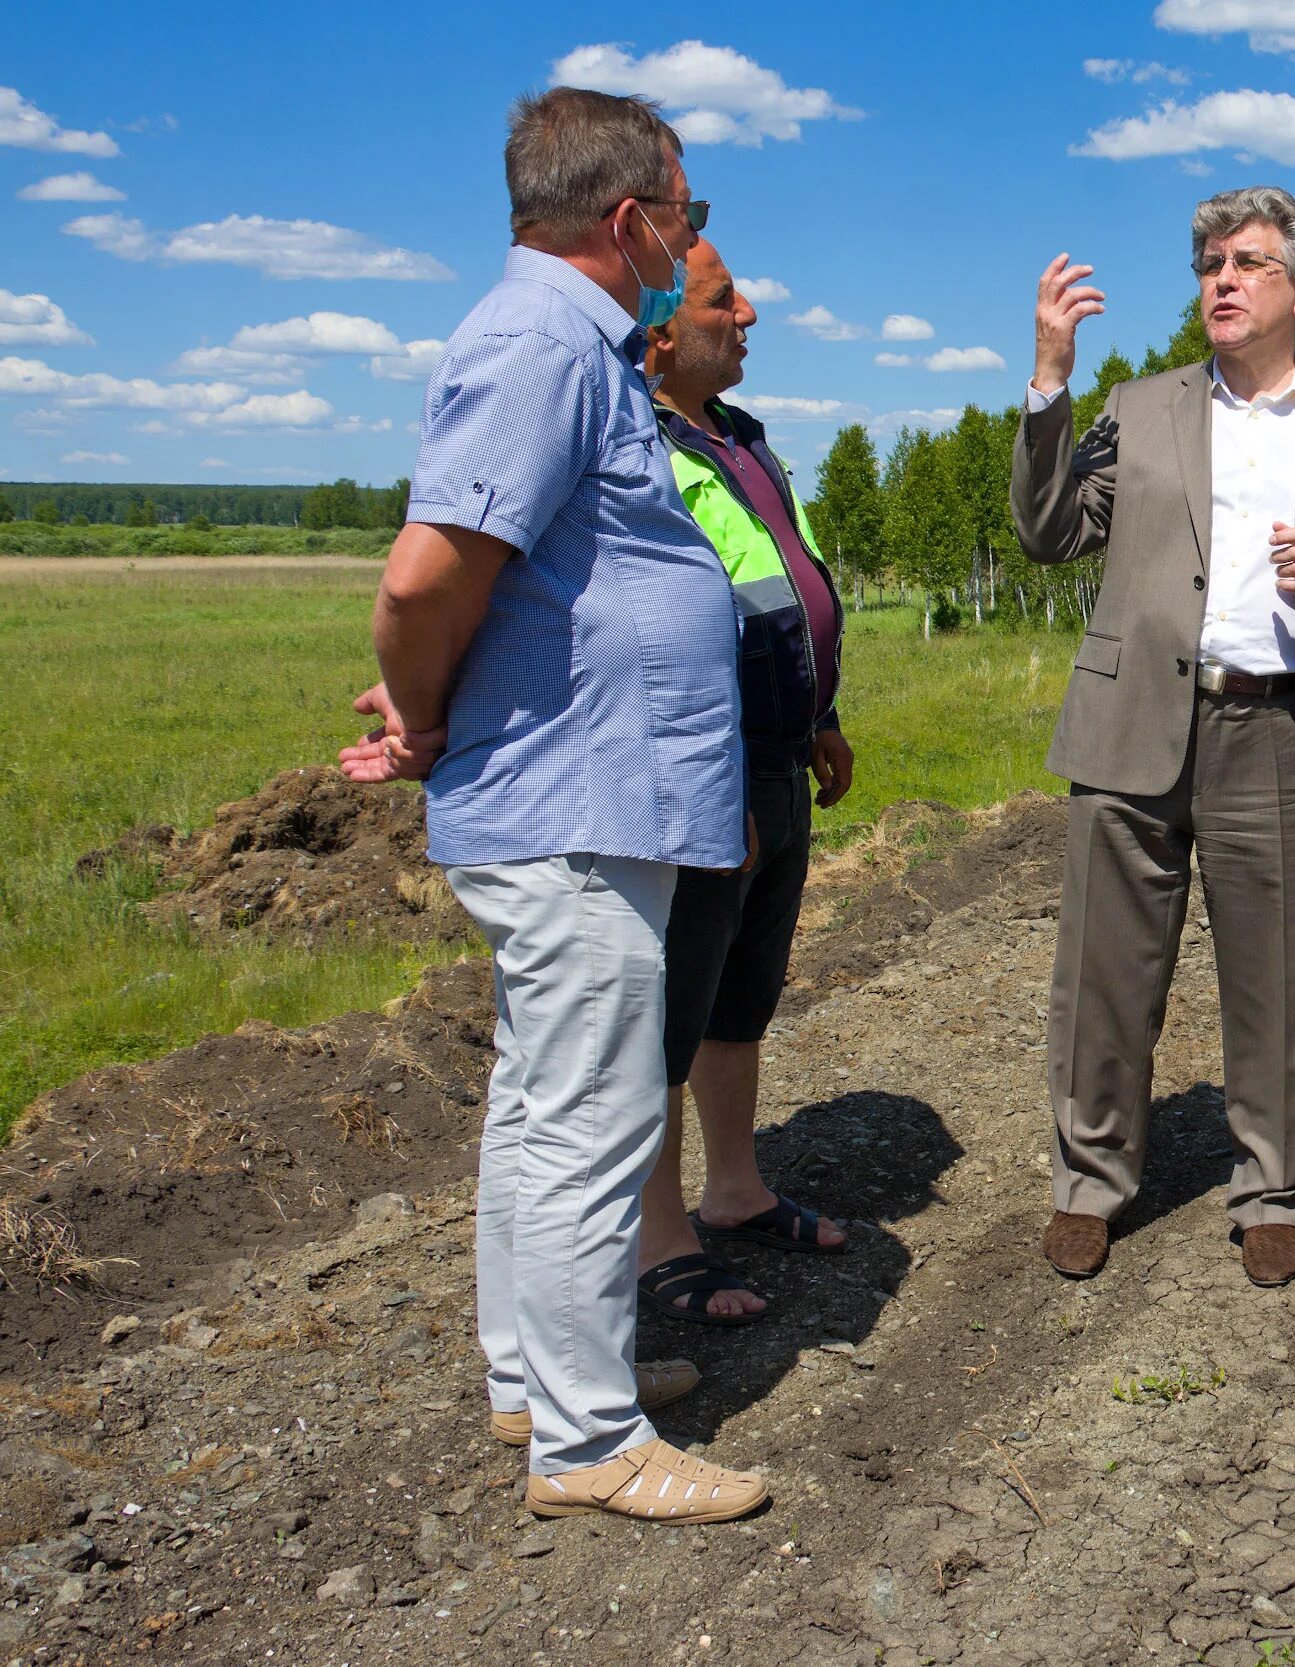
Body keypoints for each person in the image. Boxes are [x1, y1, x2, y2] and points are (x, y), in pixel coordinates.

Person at [338, 86, 764, 1525]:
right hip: (572, 793)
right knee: (586, 1115)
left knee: (538, 1102)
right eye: (687, 216)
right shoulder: (541, 343)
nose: (690, 243)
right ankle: (590, 1440)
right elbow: (423, 574)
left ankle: (535, 1378)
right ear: (633, 218)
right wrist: (426, 711)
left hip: (585, 787)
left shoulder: (567, 341)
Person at [1012, 186, 1295, 1289]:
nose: (1221, 279)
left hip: (1277, 729)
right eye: (1206, 264)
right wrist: (1048, 380)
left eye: (1246, 262)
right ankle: (1088, 1183)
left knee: (1276, 980)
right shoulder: (1135, 406)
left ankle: (1271, 1190)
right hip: (1131, 719)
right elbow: (1050, 531)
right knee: (1103, 972)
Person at [634, 238, 854, 1326]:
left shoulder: (738, 438)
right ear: (661, 329)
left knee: (737, 1000)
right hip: (700, 781)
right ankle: (656, 1237)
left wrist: (817, 715)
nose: (751, 313)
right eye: (727, 301)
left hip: (775, 760)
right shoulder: (634, 446)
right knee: (666, 1019)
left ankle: (733, 1189)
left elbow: (778, 584)